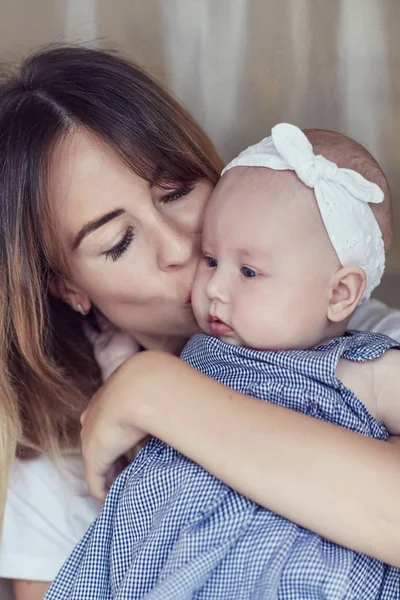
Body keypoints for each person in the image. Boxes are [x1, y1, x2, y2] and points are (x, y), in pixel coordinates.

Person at [1, 46, 400, 598]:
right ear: (68, 288)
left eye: (177, 192)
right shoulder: (54, 478)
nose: (177, 246)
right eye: (117, 243)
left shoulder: (366, 340)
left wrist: (156, 391)